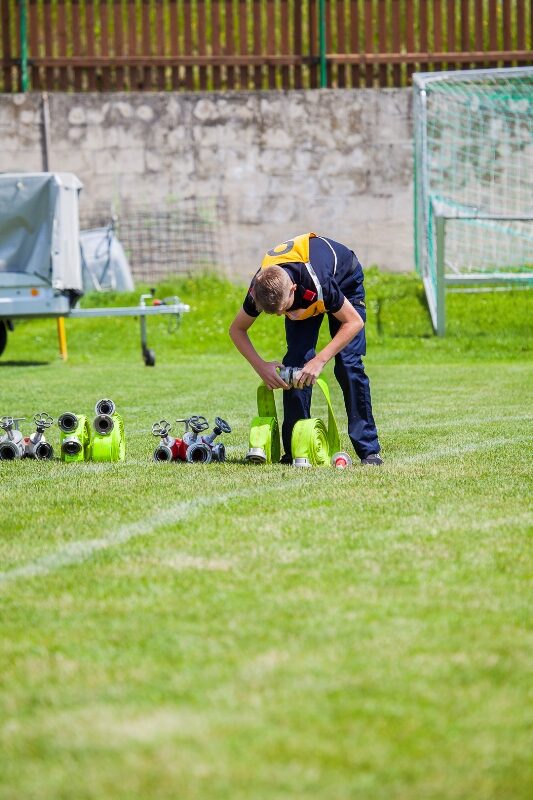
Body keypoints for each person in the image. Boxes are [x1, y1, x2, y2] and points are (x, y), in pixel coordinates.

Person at [229, 232, 382, 466]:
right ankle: (294, 451)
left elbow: (354, 323)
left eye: (284, 309)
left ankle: (369, 450)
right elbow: (236, 330)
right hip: (304, 291)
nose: (283, 315)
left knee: (348, 364)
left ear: (292, 290)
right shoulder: (259, 288)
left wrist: (320, 360)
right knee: (296, 364)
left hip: (343, 281)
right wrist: (261, 367)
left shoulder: (317, 282)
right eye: (277, 314)